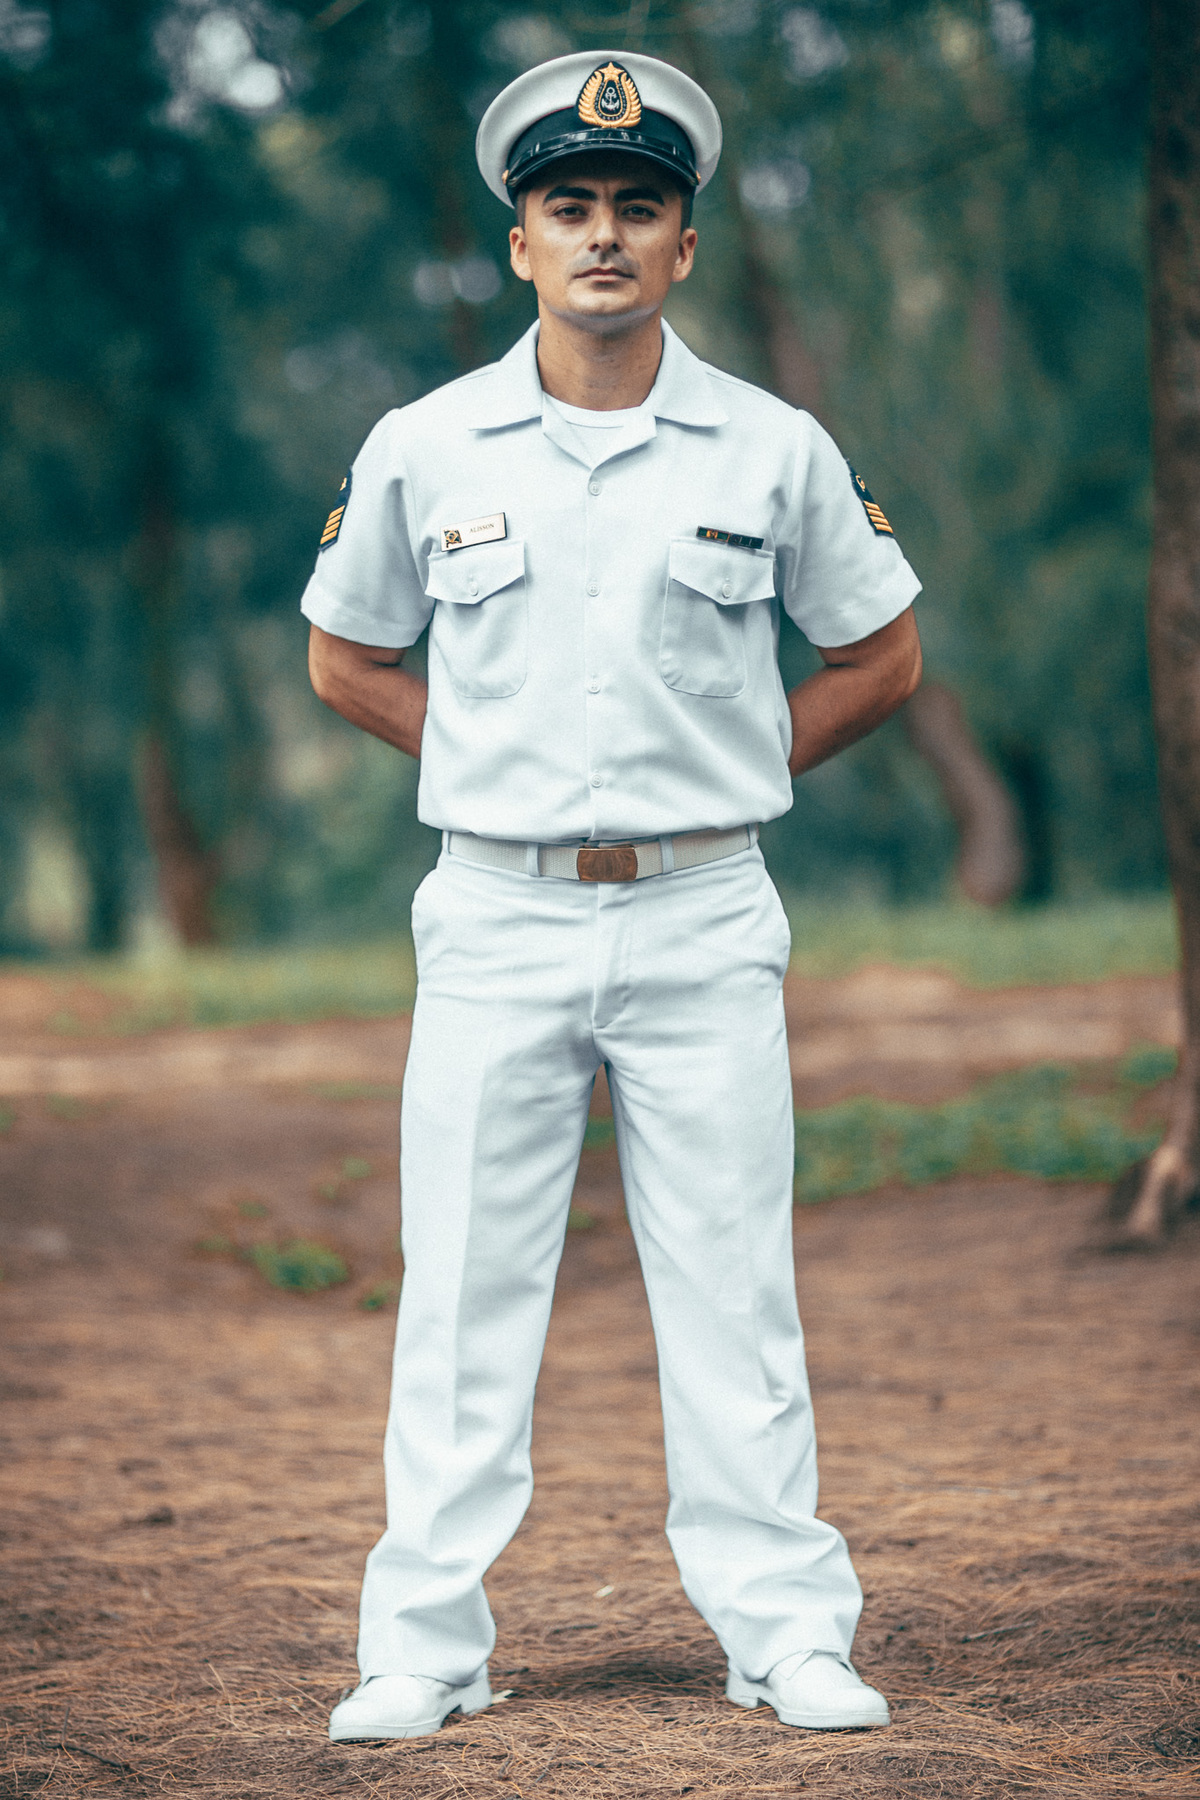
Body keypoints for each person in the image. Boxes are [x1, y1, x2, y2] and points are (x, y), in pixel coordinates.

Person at [302, 49, 922, 1744]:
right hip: (494, 914)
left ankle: (784, 1633)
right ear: (519, 244)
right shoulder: (428, 445)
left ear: (682, 246)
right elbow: (345, 656)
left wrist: (738, 762)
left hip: (702, 910)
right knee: (461, 1289)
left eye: (637, 208)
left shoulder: (772, 448)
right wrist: (482, 766)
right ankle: (425, 1645)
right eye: (567, 206)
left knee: (733, 1285)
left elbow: (880, 654)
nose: (601, 234)